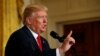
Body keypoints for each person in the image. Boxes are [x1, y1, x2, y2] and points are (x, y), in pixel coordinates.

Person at [5, 4, 75, 56]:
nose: (45, 21)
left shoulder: (43, 41)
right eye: (41, 17)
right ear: (29, 20)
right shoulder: (20, 36)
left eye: (46, 17)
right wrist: (61, 50)